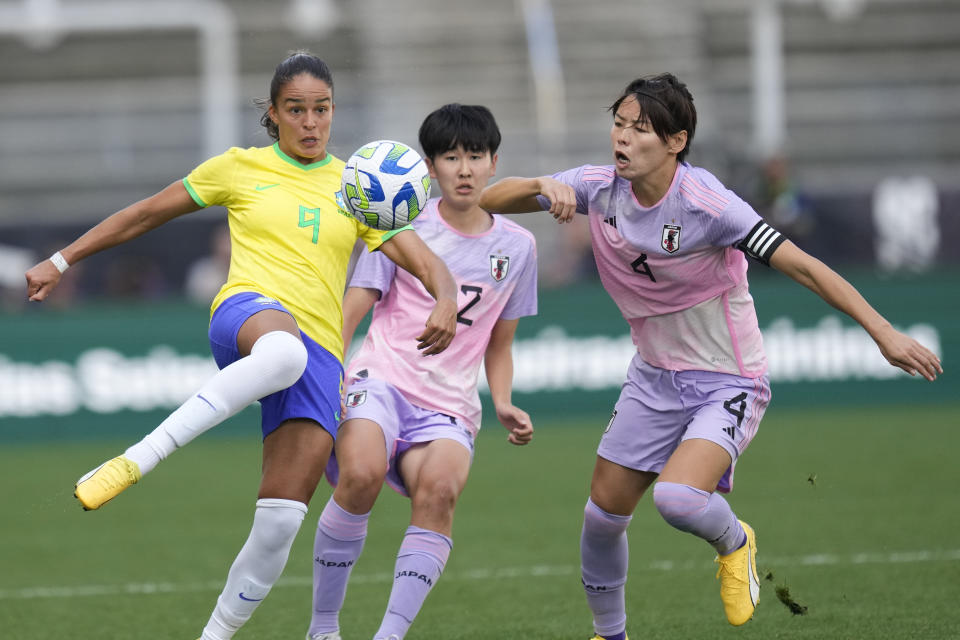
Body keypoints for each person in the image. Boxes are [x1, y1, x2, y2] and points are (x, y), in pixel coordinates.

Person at [478, 73, 942, 639]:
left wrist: (883, 332)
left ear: (675, 141)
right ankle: (609, 635)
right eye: (618, 124)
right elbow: (488, 200)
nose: (622, 138)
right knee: (601, 518)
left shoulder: (709, 204)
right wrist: (541, 185)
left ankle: (735, 541)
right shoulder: (598, 187)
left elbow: (805, 266)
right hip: (653, 378)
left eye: (640, 129)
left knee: (676, 499)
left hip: (728, 381)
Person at [24, 52, 458, 640]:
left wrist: (446, 298)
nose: (311, 122)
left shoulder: (357, 188)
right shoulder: (238, 168)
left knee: (280, 522)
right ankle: (137, 459)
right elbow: (146, 214)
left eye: (322, 109)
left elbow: (425, 259)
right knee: (284, 353)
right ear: (273, 114)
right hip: (248, 314)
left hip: (320, 353)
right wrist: (61, 259)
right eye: (297, 110)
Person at [306, 103, 538, 640]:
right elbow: (353, 307)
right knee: (360, 473)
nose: (464, 168)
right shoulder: (399, 225)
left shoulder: (519, 247)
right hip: (381, 379)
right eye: (450, 157)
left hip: (451, 405)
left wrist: (502, 400)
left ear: (494, 162)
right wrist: (329, 374)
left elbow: (499, 344)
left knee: (440, 493)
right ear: (430, 168)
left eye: (475, 156)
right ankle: (323, 628)